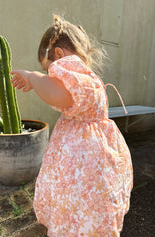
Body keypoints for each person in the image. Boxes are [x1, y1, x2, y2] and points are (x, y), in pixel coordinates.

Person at [11, 15, 133, 237]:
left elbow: (56, 95)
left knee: (83, 217)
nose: (49, 75)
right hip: (82, 174)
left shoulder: (81, 80)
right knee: (76, 215)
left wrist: (33, 77)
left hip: (85, 174)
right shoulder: (85, 80)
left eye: (50, 70)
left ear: (59, 56)